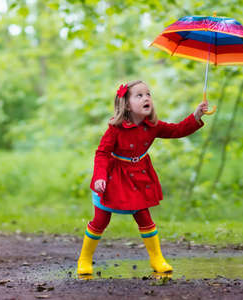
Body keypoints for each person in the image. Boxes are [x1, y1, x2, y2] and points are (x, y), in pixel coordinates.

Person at [77, 80, 208, 275]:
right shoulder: (116, 129)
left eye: (148, 94)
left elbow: (177, 130)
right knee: (101, 219)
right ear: (127, 105)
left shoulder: (152, 126)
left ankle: (157, 259)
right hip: (115, 177)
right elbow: (102, 153)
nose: (146, 98)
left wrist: (196, 116)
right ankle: (84, 259)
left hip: (139, 176)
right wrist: (100, 177)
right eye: (139, 95)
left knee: (144, 217)